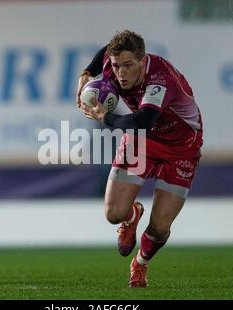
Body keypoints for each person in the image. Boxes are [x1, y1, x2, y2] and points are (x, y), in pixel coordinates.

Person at [76, 30, 203, 288]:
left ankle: (140, 264)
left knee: (159, 227)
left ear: (142, 61)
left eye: (128, 66)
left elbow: (144, 121)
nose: (121, 73)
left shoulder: (159, 79)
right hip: (141, 142)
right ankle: (131, 215)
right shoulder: (114, 65)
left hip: (181, 146)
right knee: (113, 214)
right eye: (116, 66)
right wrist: (87, 73)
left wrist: (105, 118)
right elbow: (106, 50)